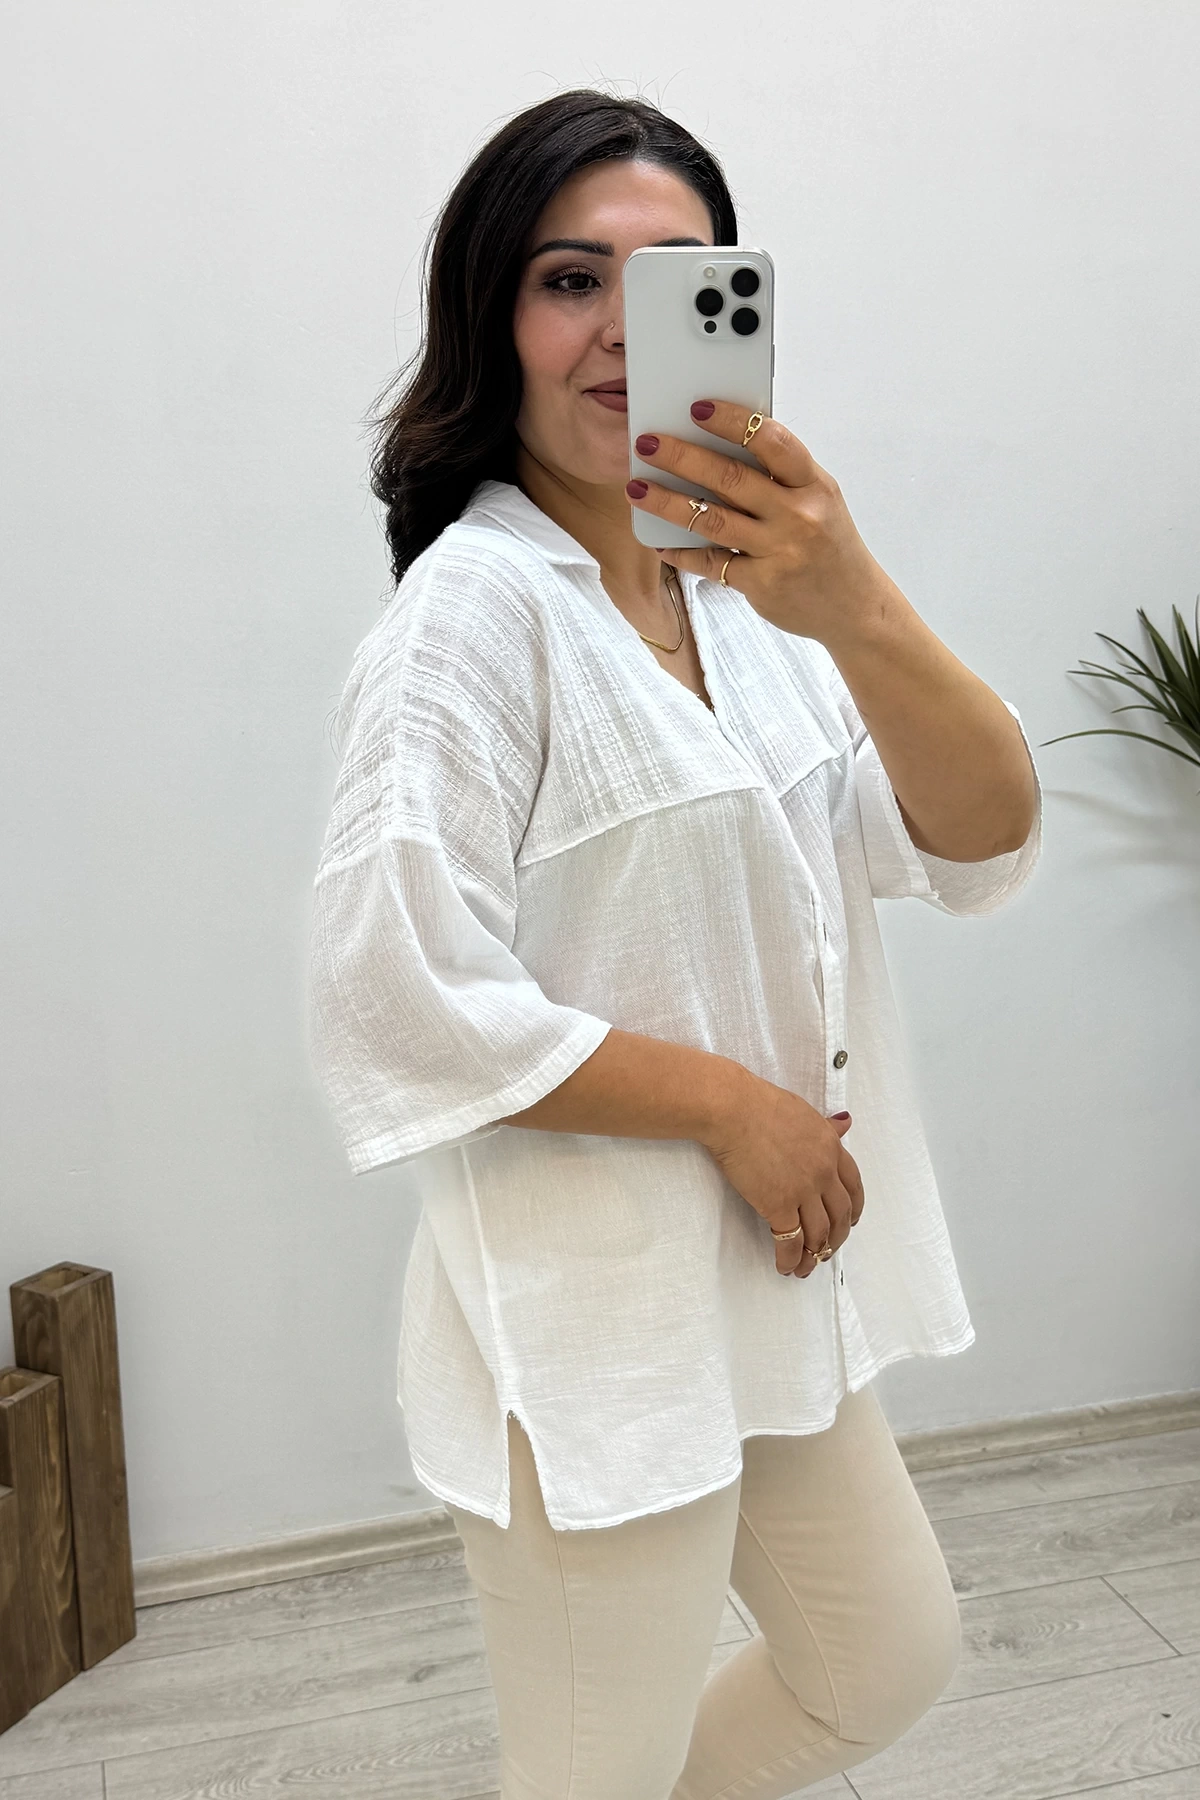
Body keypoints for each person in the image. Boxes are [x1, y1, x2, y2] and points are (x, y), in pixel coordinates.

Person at [307, 88, 1042, 1800]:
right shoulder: (468, 621)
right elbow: (399, 997)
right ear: (492, 317)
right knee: (592, 1770)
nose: (628, 334)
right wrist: (731, 1107)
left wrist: (855, 602)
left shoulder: (745, 592)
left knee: (883, 1660)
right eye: (574, 281)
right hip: (596, 1330)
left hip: (765, 1299)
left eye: (678, 285)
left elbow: (977, 835)